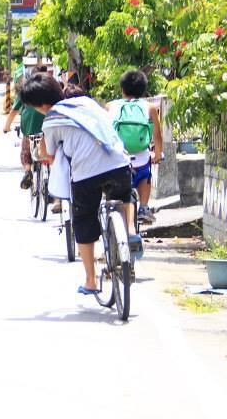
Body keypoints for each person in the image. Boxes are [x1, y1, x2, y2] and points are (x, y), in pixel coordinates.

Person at [21, 75, 141, 295]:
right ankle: (130, 230)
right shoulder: (87, 102)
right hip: (119, 162)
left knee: (84, 219)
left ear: (41, 105)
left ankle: (91, 280)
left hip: (86, 175)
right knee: (125, 196)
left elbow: (49, 153)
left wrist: (39, 153)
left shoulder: (52, 120)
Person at [107, 70, 164, 226]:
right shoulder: (149, 107)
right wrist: (158, 154)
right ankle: (144, 208)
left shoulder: (110, 106)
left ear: (122, 89)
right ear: (143, 89)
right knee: (145, 173)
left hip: (116, 159)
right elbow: (157, 135)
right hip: (140, 157)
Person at [3, 67, 49, 190]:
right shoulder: (49, 90)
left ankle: (28, 171)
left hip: (30, 129)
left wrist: (6, 127)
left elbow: (14, 111)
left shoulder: (26, 91)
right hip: (48, 129)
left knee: (26, 151)